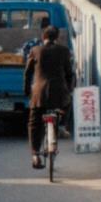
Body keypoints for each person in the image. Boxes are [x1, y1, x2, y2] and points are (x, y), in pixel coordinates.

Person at [25, 25, 75, 169]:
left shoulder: (35, 51)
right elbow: (69, 73)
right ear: (57, 38)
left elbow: (28, 73)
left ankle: (35, 155)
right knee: (67, 103)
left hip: (39, 93)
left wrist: (28, 91)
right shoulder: (64, 51)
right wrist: (69, 89)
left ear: (43, 37)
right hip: (59, 93)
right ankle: (61, 125)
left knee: (34, 123)